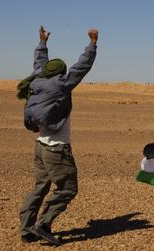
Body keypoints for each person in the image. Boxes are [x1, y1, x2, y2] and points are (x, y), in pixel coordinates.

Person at [19, 25, 98, 245]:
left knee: (40, 187)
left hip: (40, 146)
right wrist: (92, 44)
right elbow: (81, 68)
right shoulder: (62, 85)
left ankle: (26, 230)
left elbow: (39, 64)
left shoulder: (37, 80)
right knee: (68, 189)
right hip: (57, 149)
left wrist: (42, 43)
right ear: (60, 74)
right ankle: (42, 224)